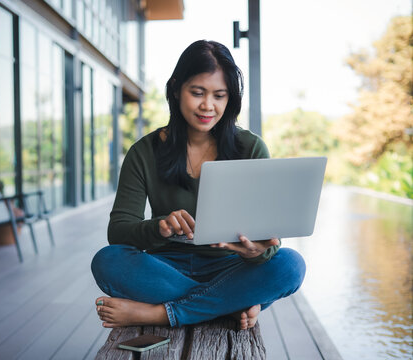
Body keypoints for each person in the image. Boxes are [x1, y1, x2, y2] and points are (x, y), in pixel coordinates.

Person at [91, 40, 306, 330]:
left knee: (290, 265)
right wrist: (159, 227)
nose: (208, 106)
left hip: (232, 267)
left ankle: (160, 314)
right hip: (166, 266)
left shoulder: (250, 148)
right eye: (198, 93)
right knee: (108, 261)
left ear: (230, 99)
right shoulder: (144, 151)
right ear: (177, 89)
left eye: (220, 95)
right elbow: (118, 231)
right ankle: (227, 306)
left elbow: (267, 243)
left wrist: (257, 252)